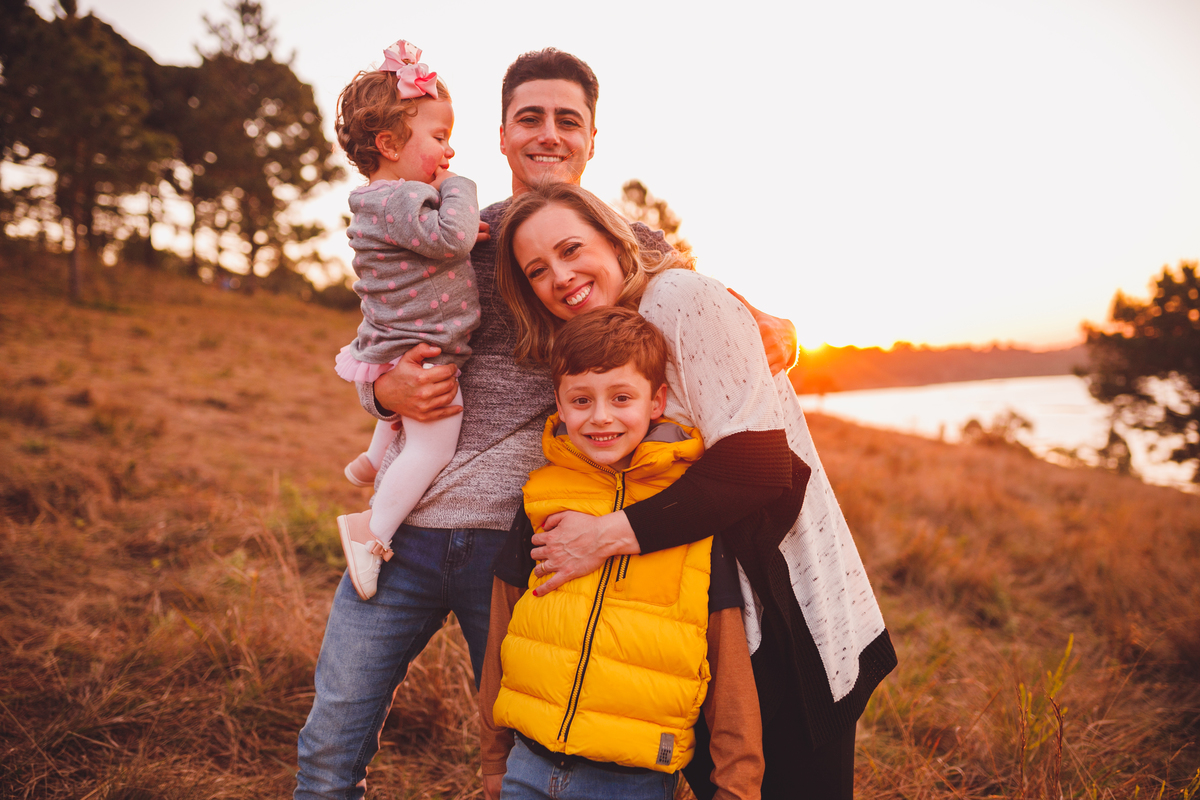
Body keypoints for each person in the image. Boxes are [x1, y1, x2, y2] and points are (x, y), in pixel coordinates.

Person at [294, 48, 796, 800]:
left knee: (521, 741)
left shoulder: (627, 245)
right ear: (501, 135)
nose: (549, 134)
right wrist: (384, 394)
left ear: (592, 137)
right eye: (530, 118)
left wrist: (776, 327)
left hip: (521, 544)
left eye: (569, 119)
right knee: (330, 740)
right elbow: (382, 334)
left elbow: (709, 319)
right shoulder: (451, 232)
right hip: (404, 531)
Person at [494, 182, 898, 800]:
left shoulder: (680, 298)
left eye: (572, 249)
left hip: (784, 611)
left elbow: (760, 466)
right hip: (694, 615)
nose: (561, 276)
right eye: (537, 270)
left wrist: (603, 537)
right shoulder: (603, 347)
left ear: (615, 240)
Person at [479, 307, 763, 800]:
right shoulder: (541, 498)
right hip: (527, 763)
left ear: (657, 402)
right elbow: (501, 628)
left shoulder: (688, 510)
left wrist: (738, 785)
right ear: (559, 405)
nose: (601, 417)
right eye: (581, 400)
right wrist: (493, 759)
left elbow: (728, 661)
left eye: (622, 397)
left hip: (632, 780)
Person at [331, 39, 480, 600]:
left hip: (394, 340)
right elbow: (452, 239)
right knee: (432, 447)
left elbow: (438, 243)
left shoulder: (385, 201)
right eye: (439, 138)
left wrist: (457, 225)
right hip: (424, 347)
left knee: (405, 423)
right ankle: (371, 531)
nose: (449, 151)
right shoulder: (399, 200)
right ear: (389, 144)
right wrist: (459, 191)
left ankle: (373, 459)